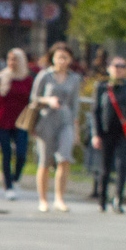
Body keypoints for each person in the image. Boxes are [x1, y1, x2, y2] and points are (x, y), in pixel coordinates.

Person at [30, 42, 83, 214]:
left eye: (65, 57)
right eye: (59, 56)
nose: (62, 60)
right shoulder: (45, 76)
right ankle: (43, 199)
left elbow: (75, 105)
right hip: (46, 120)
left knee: (64, 158)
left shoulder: (74, 78)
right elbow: (34, 99)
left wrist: (76, 130)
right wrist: (48, 100)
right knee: (45, 161)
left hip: (65, 120)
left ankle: (59, 198)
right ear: (52, 57)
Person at [0, 48, 34, 202]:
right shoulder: (0, 78)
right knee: (6, 153)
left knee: (21, 154)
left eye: (15, 59)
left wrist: (33, 124)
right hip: (2, 121)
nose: (12, 62)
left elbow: (31, 103)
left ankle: (15, 178)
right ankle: (8, 186)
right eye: (10, 58)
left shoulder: (27, 80)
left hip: (21, 122)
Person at [92, 55, 126, 212]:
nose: (119, 69)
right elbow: (95, 111)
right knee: (105, 167)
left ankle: (118, 200)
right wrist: (96, 134)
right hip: (107, 131)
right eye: (116, 66)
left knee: (123, 166)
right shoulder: (101, 87)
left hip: (125, 133)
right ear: (109, 68)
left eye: (122, 66)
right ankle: (102, 199)